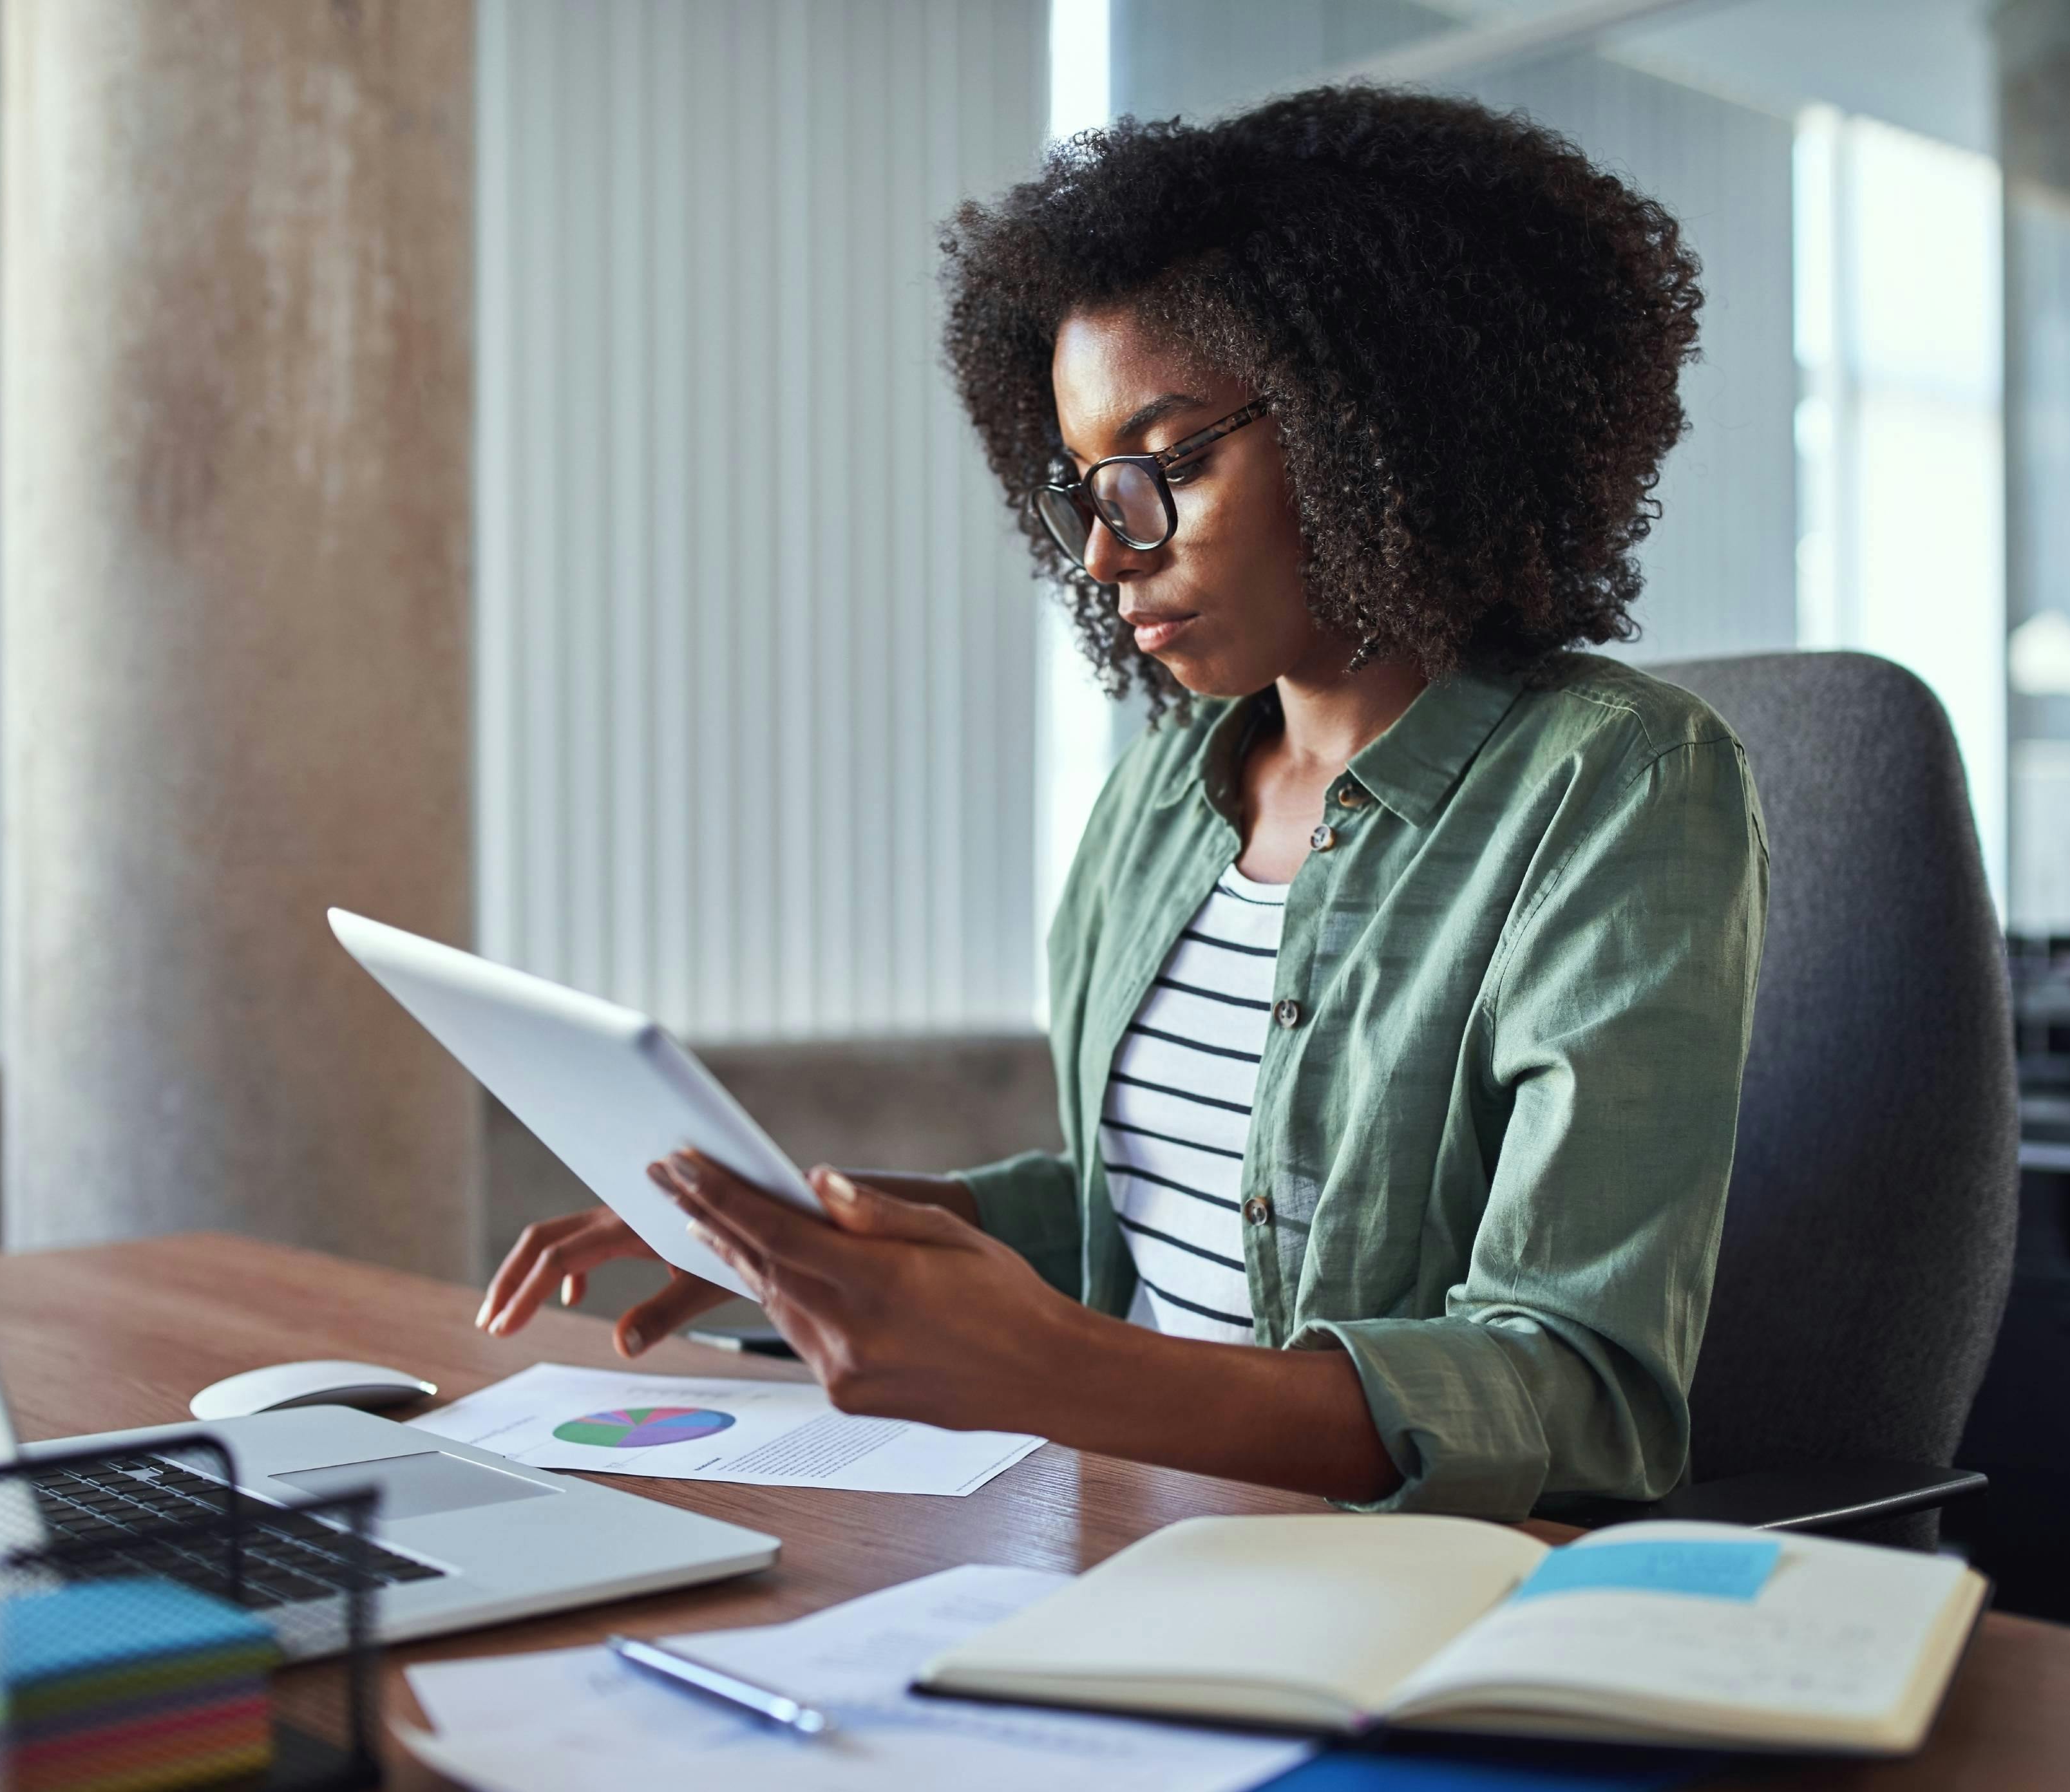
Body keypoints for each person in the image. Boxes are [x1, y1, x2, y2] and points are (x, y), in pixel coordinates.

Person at [475, 86, 1767, 1518]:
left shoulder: (1614, 785)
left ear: (1377, 422)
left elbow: (1579, 1400)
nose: (1102, 554)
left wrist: (1054, 1370)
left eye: (1159, 468)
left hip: (1371, 1599)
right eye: (1082, 488)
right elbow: (1135, 1220)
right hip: (1118, 1529)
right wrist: (811, 1233)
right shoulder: (1166, 789)